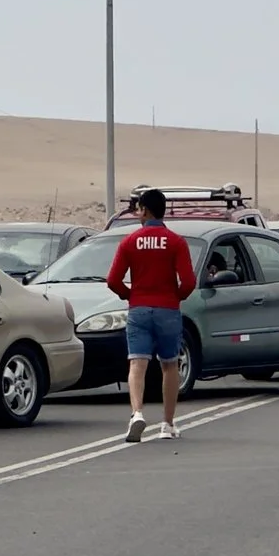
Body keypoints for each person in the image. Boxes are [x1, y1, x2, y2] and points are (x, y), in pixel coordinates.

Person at [104, 188, 198, 444]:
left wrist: (129, 295)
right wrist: (176, 296)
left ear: (145, 210)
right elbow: (189, 281)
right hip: (168, 309)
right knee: (169, 365)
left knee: (137, 363)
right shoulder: (176, 242)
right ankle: (167, 423)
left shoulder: (130, 242)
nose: (137, 213)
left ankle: (136, 414)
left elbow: (112, 280)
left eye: (138, 208)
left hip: (139, 309)